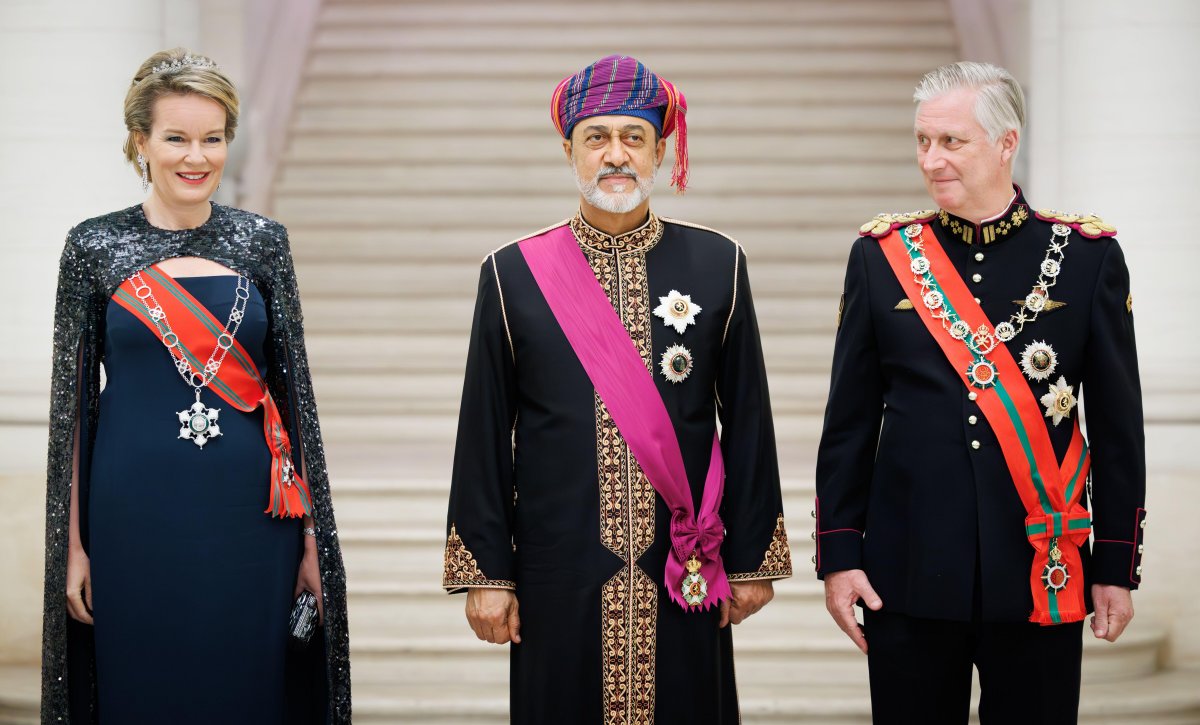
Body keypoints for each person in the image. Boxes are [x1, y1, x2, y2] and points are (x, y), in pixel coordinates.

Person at [442, 54, 792, 723]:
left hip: (686, 560)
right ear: (568, 150)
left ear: (661, 150)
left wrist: (752, 558)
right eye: (595, 137)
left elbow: (749, 420)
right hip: (558, 564)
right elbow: (482, 431)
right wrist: (487, 572)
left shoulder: (720, 263)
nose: (615, 154)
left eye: (633, 137)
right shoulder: (513, 274)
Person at [814, 61, 1146, 724]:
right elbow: (848, 422)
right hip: (905, 572)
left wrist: (1113, 564)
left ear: (1006, 142)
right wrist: (839, 554)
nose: (930, 160)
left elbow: (1117, 428)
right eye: (922, 141)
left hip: (1039, 570)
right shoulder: (882, 258)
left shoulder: (1085, 258)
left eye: (951, 142)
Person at [40, 48, 350, 724]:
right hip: (131, 522)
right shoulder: (93, 246)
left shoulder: (261, 241)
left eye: (213, 138)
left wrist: (313, 544)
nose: (196, 156)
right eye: (176, 137)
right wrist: (69, 548)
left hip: (252, 522)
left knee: (249, 690)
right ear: (139, 143)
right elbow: (70, 410)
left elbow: (297, 402)